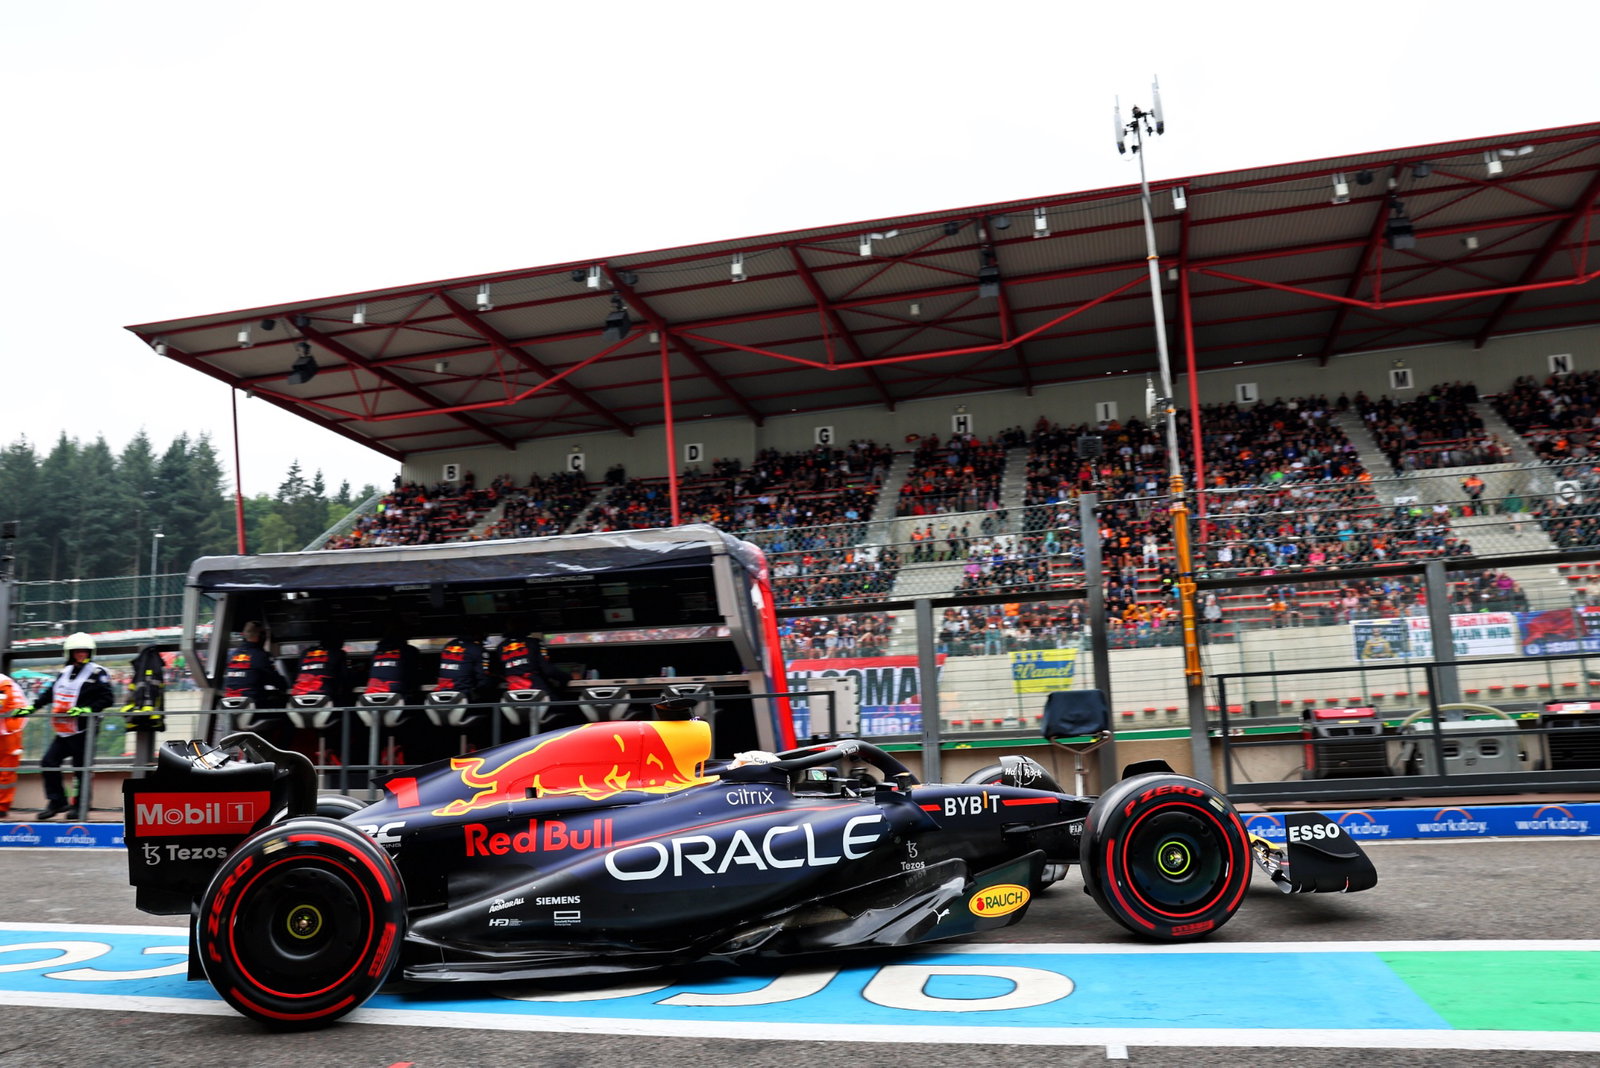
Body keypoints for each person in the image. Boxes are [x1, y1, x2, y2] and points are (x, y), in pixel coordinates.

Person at [28, 632, 115, 820]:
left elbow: (108, 698)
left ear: (91, 652)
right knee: (49, 762)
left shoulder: (97, 673)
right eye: (77, 651)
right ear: (70, 653)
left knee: (80, 768)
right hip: (64, 730)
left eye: (84, 651)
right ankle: (57, 801)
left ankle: (81, 806)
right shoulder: (64, 672)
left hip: (85, 729)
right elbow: (49, 694)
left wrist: (85, 709)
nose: (81, 654)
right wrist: (31, 707)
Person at [495, 628, 574, 728]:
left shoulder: (500, 647)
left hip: (513, 697)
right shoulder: (534, 643)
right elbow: (549, 671)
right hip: (537, 692)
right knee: (568, 710)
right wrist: (568, 677)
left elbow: (497, 671)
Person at [0, 670, 29, 818]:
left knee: (6, 771)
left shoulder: (3, 683)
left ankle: (2, 807)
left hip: (10, 732)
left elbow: (0, 705)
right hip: (5, 729)